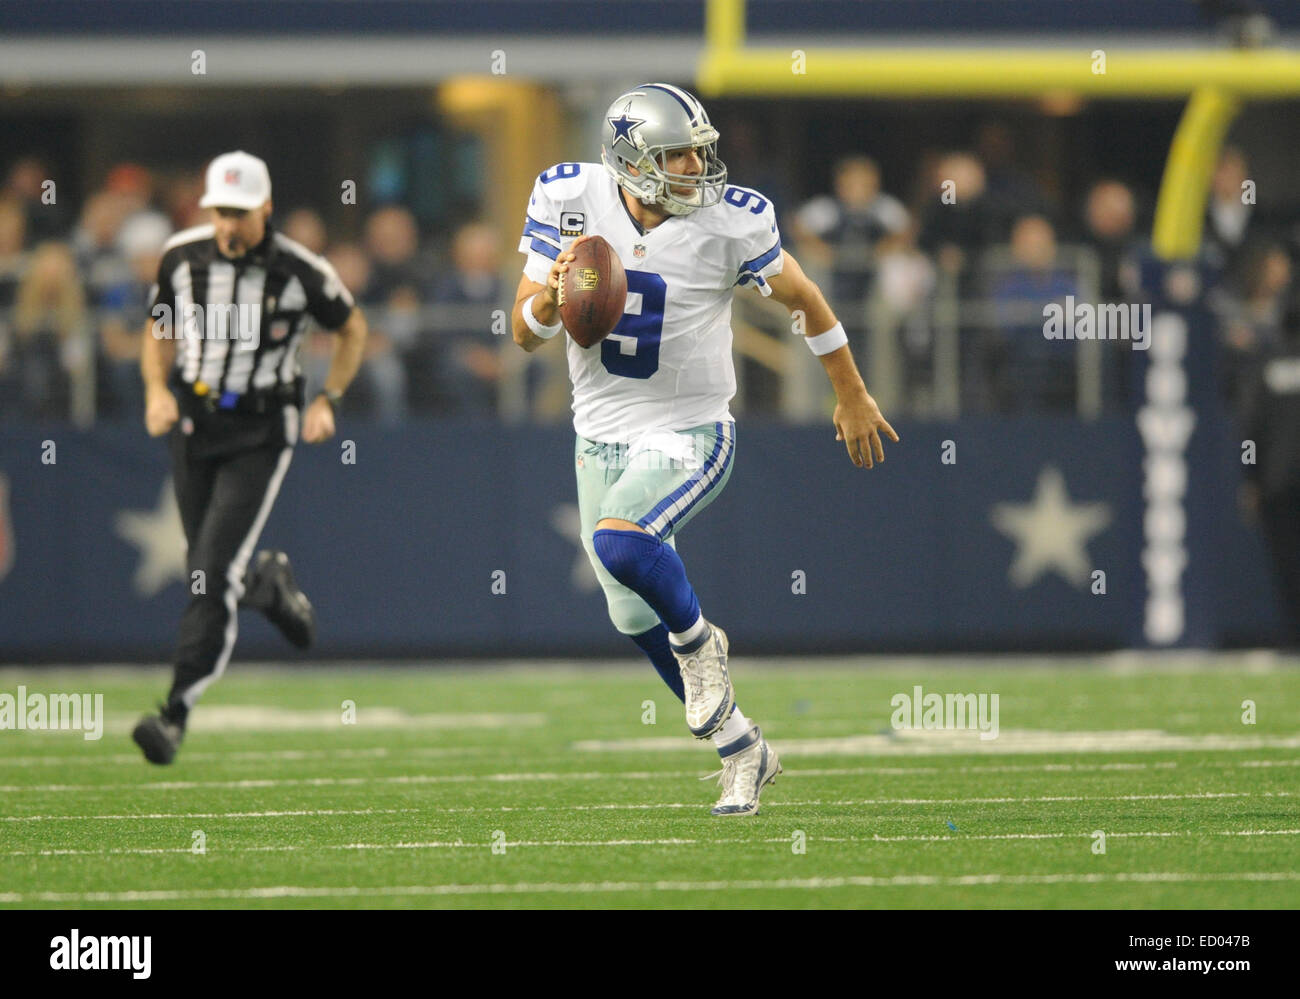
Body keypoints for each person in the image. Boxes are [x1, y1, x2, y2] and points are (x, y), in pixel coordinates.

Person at [511, 84, 897, 816]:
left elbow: (805, 299)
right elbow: (522, 331)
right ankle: (743, 750)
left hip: (691, 428)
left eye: (698, 149)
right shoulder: (569, 195)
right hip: (599, 430)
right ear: (629, 161)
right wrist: (550, 297)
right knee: (628, 615)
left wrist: (850, 391)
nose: (695, 164)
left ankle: (699, 641)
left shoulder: (731, 220)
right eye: (676, 153)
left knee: (622, 542)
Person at [133, 151, 368, 764]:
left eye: (239, 212)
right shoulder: (182, 256)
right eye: (220, 212)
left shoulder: (298, 269)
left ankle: (175, 712)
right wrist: (157, 391)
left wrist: (329, 399)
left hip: (262, 428)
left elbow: (352, 327)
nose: (229, 224)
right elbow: (158, 327)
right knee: (207, 568)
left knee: (208, 571)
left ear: (265, 208)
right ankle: (266, 587)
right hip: (194, 419)